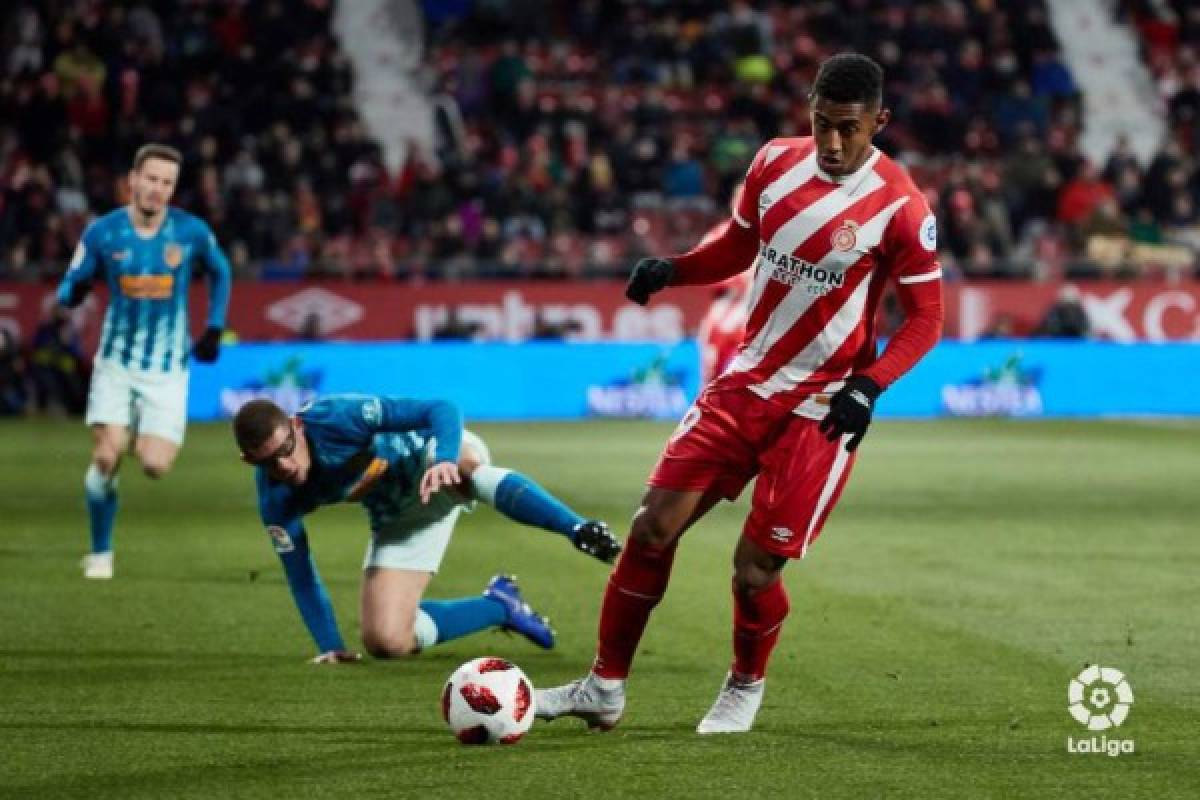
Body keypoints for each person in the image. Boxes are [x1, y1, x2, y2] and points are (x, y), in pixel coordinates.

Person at [535, 53, 945, 734]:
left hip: (821, 406)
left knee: (754, 572)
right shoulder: (774, 163)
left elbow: (928, 319)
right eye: (822, 123)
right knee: (650, 528)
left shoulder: (901, 207)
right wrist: (675, 270)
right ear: (808, 108)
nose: (834, 143)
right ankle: (604, 687)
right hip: (745, 382)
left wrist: (869, 387)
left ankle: (744, 684)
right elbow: (738, 246)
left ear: (880, 120)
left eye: (850, 128)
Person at [232, 395, 621, 662]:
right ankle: (499, 606)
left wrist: (446, 458)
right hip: (398, 515)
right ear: (248, 460)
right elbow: (301, 576)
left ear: (296, 427)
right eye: (265, 462)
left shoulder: (338, 418)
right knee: (385, 640)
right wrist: (331, 645)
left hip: (433, 459)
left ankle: (579, 529)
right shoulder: (275, 499)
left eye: (286, 450)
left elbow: (441, 408)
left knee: (461, 475)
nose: (282, 466)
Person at [55, 143, 233, 580]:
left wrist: (214, 326)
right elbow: (68, 286)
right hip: (116, 362)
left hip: (168, 369)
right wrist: (73, 291)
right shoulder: (103, 232)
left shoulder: (190, 232)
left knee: (154, 465)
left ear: (173, 189)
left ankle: (130, 434)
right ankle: (101, 554)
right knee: (106, 456)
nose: (157, 189)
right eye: (151, 179)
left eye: (166, 183)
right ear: (132, 180)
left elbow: (222, 271)